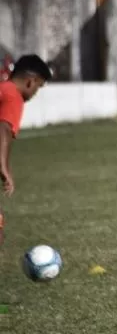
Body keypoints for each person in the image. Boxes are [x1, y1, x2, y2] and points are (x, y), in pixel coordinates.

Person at [0, 55, 53, 247]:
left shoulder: (3, 88)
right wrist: (4, 167)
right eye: (38, 88)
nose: (35, 93)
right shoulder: (13, 96)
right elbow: (4, 129)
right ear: (31, 81)